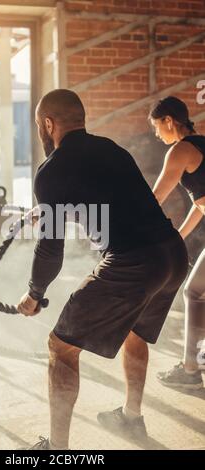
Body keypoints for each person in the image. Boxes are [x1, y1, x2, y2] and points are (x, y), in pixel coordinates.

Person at [17, 89, 188, 450]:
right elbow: (110, 202)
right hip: (172, 254)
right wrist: (49, 209)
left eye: (40, 127)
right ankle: (132, 418)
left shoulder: (51, 169)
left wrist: (35, 293)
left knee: (60, 346)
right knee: (135, 332)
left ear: (48, 124)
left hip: (134, 261)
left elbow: (51, 248)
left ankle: (56, 450)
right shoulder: (111, 149)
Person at [150, 96, 205, 389]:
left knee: (195, 292)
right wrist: (178, 237)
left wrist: (131, 228)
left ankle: (192, 369)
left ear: (169, 121)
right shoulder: (202, 144)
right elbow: (200, 204)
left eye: (158, 127)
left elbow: (155, 198)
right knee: (195, 291)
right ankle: (191, 367)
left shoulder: (180, 150)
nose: (157, 135)